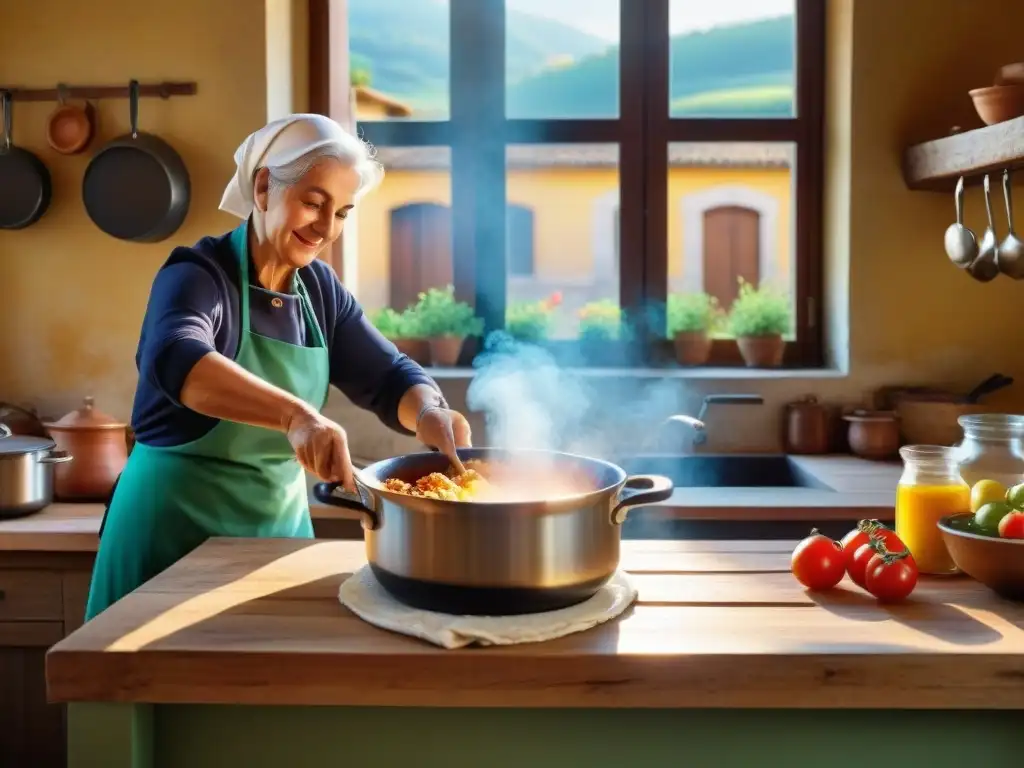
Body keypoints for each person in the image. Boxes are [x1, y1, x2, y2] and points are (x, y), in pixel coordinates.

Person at [85, 114, 471, 620]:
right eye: (313, 203)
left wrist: (428, 413)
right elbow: (178, 358)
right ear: (264, 187)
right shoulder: (198, 274)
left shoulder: (320, 291)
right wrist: (296, 416)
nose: (325, 228)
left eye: (342, 213)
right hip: (171, 534)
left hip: (276, 535)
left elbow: (389, 375)